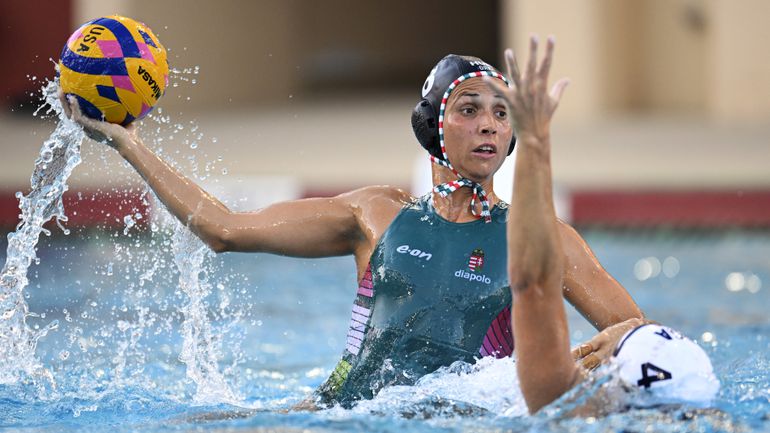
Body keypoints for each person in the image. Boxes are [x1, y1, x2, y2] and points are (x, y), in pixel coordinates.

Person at [60, 41, 643, 409]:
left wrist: (588, 356)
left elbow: (641, 335)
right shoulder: (375, 215)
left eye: (501, 113)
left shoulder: (544, 239)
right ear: (433, 125)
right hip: (341, 413)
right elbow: (223, 229)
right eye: (469, 109)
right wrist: (126, 143)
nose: (489, 125)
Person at [492, 35, 719, 415]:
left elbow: (532, 283)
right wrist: (631, 332)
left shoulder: (558, 407)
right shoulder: (701, 406)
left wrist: (533, 138)